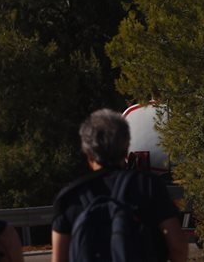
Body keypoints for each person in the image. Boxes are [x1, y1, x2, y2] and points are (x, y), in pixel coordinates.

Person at [51, 109, 188, 262]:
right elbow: (178, 246)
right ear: (126, 147)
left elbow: (59, 259)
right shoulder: (148, 185)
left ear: (87, 152)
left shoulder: (70, 197)